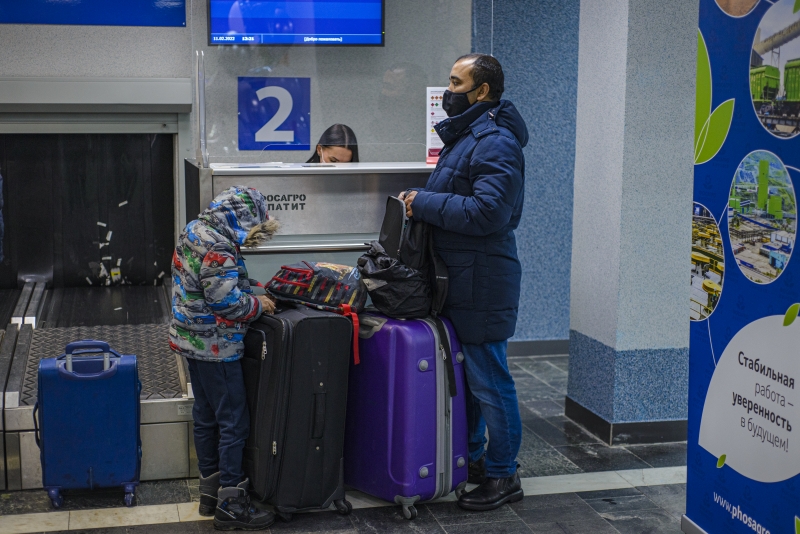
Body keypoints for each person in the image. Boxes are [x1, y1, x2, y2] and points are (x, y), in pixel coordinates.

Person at [400, 53, 528, 511]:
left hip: (484, 282)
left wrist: (424, 202)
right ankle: (475, 460)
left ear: (482, 91)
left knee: (491, 384)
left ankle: (503, 474)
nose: (448, 90)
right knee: (472, 384)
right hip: (464, 280)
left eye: (456, 82)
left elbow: (489, 213)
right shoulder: (469, 138)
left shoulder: (496, 142)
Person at [170, 186, 279, 531]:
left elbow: (204, 283)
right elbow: (226, 304)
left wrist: (247, 284)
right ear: (242, 218)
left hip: (191, 341)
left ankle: (210, 492)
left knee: (206, 416)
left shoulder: (195, 229)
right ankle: (232, 503)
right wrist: (260, 304)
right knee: (234, 422)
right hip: (217, 347)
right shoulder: (219, 244)